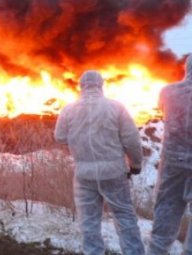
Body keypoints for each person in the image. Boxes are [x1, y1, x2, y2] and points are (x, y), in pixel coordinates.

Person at [55, 70, 144, 255]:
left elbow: (60, 136)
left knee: (89, 224)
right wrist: (135, 165)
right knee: (125, 219)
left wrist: (78, 140)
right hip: (114, 173)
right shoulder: (116, 107)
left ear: (81, 86)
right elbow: (131, 140)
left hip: (84, 175)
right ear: (100, 85)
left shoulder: (69, 110)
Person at [148, 55, 192, 254]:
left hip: (173, 162)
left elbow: (162, 110)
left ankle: (157, 251)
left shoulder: (168, 91)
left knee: (166, 210)